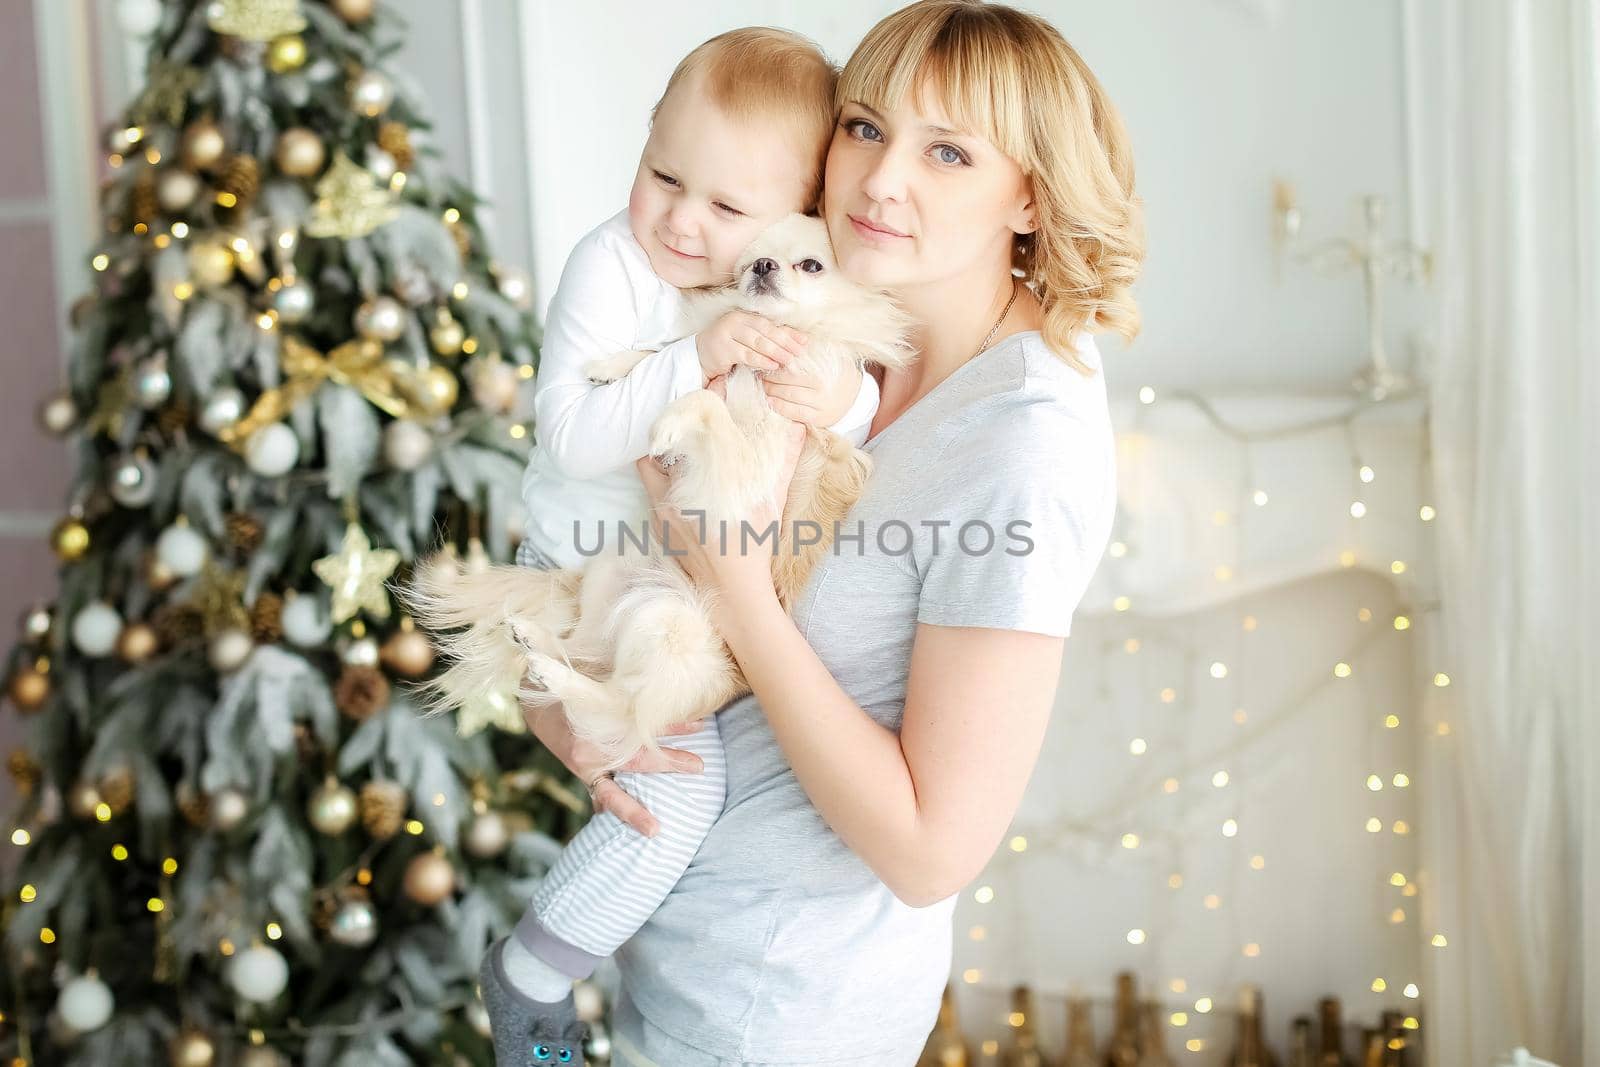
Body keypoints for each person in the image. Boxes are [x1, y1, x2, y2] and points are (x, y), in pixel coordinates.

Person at [541, 1, 1143, 1062]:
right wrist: (574, 707)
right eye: (864, 126)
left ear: (1030, 197)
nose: (880, 179)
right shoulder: (839, 326)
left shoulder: (1021, 448)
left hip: (780, 1018)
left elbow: (929, 850)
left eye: (949, 151)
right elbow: (602, 518)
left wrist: (731, 584)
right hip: (663, 953)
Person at [476, 27, 882, 1067]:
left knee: (697, 778)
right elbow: (570, 429)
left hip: (679, 584)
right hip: (591, 578)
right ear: (646, 143)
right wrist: (692, 360)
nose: (682, 220)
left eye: (727, 207)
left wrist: (835, 393)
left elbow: (850, 390)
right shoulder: (610, 264)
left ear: (796, 214)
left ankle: (567, 961)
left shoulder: (774, 273)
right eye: (664, 175)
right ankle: (532, 975)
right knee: (681, 787)